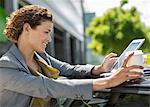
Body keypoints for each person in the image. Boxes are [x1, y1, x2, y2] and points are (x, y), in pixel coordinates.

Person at [0, 5, 143, 107]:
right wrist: (108, 82)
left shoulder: (41, 56)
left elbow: (69, 69)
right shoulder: (5, 66)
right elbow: (48, 86)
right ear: (26, 28)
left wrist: (99, 69)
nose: (49, 39)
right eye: (46, 32)